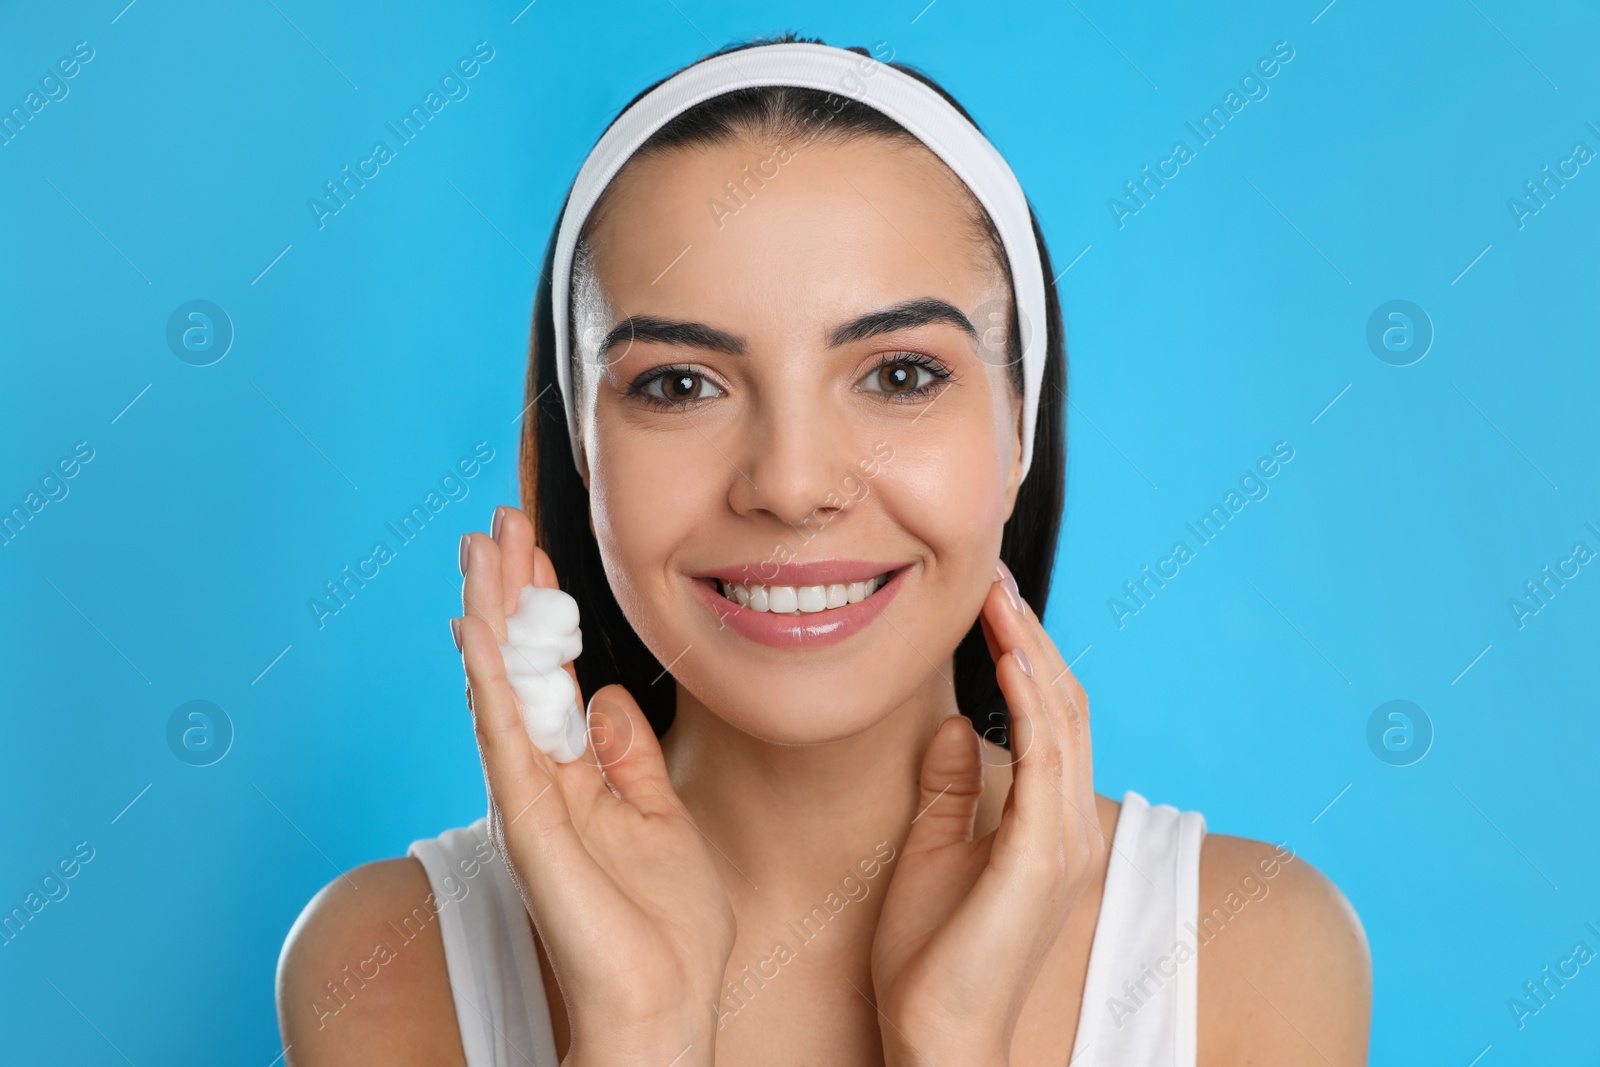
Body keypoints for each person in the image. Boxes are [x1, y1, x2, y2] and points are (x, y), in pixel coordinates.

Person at [276, 33, 1370, 1066]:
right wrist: (638, 1028)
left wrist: (950, 1040)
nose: (794, 485)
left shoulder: (1246, 949)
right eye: (677, 383)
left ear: (1018, 427)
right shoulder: (383, 960)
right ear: (578, 449)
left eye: (899, 374)